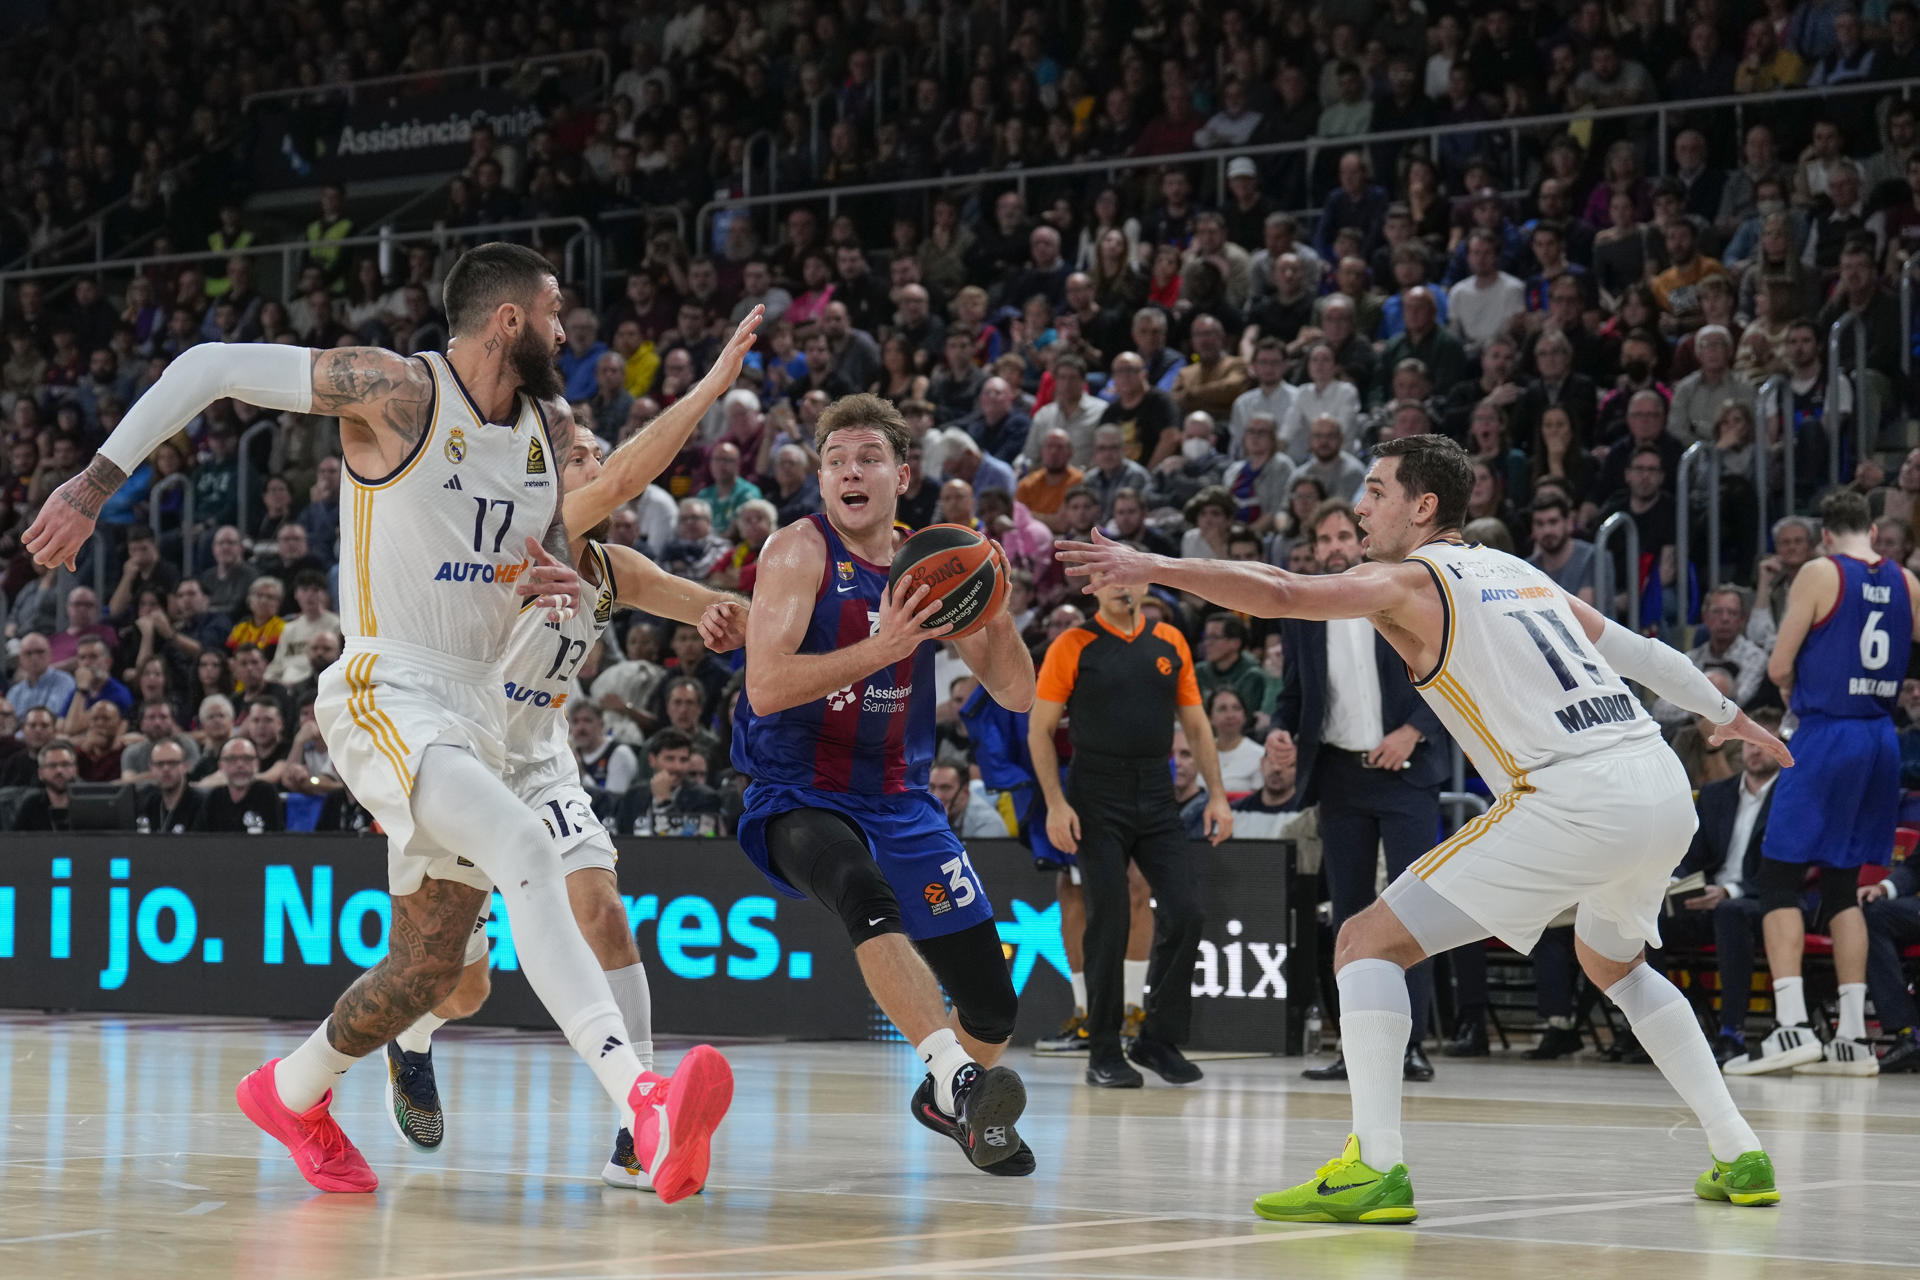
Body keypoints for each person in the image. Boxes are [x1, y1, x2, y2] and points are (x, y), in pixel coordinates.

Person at [23, 241, 673, 1197]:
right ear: (508, 321)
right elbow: (206, 367)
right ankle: (642, 1102)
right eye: (555, 311)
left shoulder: (551, 422)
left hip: (480, 710)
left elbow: (552, 537)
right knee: (527, 847)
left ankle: (291, 1091)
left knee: (425, 971)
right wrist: (93, 484)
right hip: (388, 684)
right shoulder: (397, 392)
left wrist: (557, 568)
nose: (566, 330)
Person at [1057, 432, 1788, 1221]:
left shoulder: (1411, 582)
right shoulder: (1518, 571)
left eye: (1375, 491)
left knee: (1364, 941)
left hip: (1575, 794)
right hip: (1658, 783)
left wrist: (1152, 565)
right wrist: (1731, 718)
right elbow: (1644, 653)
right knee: (1613, 963)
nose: (1362, 506)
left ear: (1424, 505)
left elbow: (1278, 590)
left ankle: (1375, 1166)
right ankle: (1738, 1150)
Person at [386, 319, 759, 1196]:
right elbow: (634, 471)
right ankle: (409, 1039)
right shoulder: (522, 528)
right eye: (583, 454)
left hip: (542, 760)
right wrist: (709, 389)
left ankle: (642, 1125)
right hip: (459, 756)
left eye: (596, 453)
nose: (599, 466)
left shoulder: (609, 564)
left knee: (605, 914)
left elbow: (719, 607)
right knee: (459, 987)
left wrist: (723, 617)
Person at [731, 393, 1039, 1174]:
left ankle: (944, 1097)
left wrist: (991, 606)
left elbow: (1017, 694)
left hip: (899, 796)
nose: (848, 471)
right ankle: (958, 1076)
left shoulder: (932, 562)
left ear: (902, 476)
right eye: (835, 461)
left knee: (994, 1006)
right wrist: (888, 644)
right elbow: (765, 686)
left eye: (866, 458)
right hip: (796, 789)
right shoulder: (798, 551)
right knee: (863, 893)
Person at [1728, 491, 1917, 1079]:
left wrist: (1798, 688)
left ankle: (1791, 1026)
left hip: (1828, 733)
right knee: (1841, 885)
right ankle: (1855, 1039)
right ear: (1871, 528)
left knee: (1777, 876)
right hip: (1880, 737)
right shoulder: (1908, 581)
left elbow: (1779, 666)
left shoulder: (1818, 571)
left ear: (1827, 536)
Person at [1269, 500, 1449, 1084]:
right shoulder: (1303, 608)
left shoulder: (1397, 591)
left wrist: (1413, 730)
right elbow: (1295, 692)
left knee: (1411, 911)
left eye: (1345, 533)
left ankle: (1412, 1043)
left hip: (1405, 771)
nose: (1335, 545)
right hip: (1340, 776)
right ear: (1315, 548)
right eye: (1324, 538)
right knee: (1349, 917)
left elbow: (1451, 673)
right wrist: (1279, 728)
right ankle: (1355, 1047)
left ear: (1363, 537)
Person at [1029, 580, 1229, 1088]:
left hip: (1157, 791)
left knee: (1186, 911)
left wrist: (1219, 795)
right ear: (1092, 587)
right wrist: (1055, 803)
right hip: (1095, 793)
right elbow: (1040, 728)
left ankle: (1157, 1039)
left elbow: (1199, 725)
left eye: (1130, 575)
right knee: (1110, 916)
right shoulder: (1072, 644)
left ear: (1143, 583)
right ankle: (1103, 1048)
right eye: (1110, 577)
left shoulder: (1170, 641)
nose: (1122, 586)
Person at [1653, 707, 1785, 1066]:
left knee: (1730, 913)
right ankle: (1657, 1031)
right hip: (1707, 898)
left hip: (1763, 904)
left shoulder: (1790, 797)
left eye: (1762, 743)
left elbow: (1789, 870)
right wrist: (1679, 884)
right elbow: (1692, 855)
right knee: (1647, 919)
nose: (1754, 750)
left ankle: (1732, 1032)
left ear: (1779, 747)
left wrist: (1730, 892)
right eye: (1747, 742)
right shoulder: (1716, 794)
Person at [191, 736, 285, 834]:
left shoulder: (267, 793)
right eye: (232, 759)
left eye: (247, 758)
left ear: (256, 765)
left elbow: (276, 840)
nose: (240, 765)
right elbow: (198, 840)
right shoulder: (214, 798)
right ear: (221, 766)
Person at [134, 736, 203, 833]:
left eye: (172, 763)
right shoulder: (148, 803)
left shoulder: (201, 805)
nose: (166, 769)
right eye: (159, 764)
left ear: (185, 766)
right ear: (151, 769)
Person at [10, 739, 77, 831]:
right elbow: (15, 841)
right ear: (40, 773)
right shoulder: (31, 805)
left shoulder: (87, 803)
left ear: (75, 770)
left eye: (65, 764)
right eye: (52, 765)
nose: (59, 770)